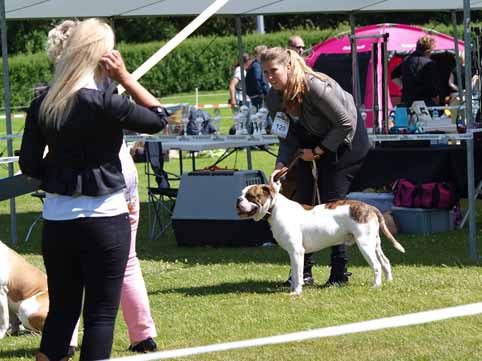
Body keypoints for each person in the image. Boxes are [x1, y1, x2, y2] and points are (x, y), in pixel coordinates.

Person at [19, 18, 168, 361]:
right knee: (100, 315)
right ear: (104, 56)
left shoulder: (43, 104)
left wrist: (57, 177)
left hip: (57, 220)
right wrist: (125, 78)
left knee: (62, 311)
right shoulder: (105, 103)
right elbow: (159, 118)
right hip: (105, 218)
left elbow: (29, 165)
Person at [260, 47, 369, 288]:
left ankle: (339, 273)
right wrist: (281, 163)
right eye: (265, 72)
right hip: (309, 145)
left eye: (273, 71)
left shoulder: (315, 86)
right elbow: (286, 135)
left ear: (288, 67)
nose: (269, 77)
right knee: (303, 202)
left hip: (346, 142)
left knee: (332, 203)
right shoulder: (274, 97)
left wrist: (319, 151)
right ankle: (303, 273)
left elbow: (345, 123)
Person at [391, 36, 440, 107]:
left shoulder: (406, 60)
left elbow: (393, 75)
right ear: (428, 51)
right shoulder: (429, 63)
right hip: (424, 104)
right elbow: (433, 87)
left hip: (407, 101)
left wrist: (403, 86)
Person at [245, 45, 270, 111]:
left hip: (257, 96)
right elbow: (257, 79)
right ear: (260, 54)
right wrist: (262, 93)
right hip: (260, 98)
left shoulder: (255, 64)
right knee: (264, 118)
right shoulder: (257, 65)